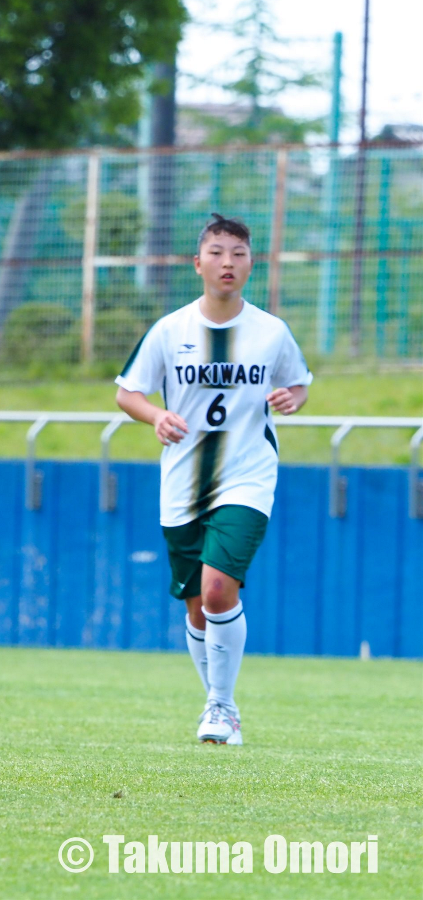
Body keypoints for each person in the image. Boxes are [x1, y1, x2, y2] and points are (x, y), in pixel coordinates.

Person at [115, 213, 311, 746]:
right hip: (181, 483)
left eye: (239, 254)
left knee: (219, 588)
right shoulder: (170, 330)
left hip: (247, 477)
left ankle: (221, 707)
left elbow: (298, 384)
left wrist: (292, 398)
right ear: (197, 262)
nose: (229, 262)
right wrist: (154, 415)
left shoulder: (271, 332)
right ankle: (217, 705)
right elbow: (128, 392)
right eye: (218, 252)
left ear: (251, 263)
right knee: (197, 605)